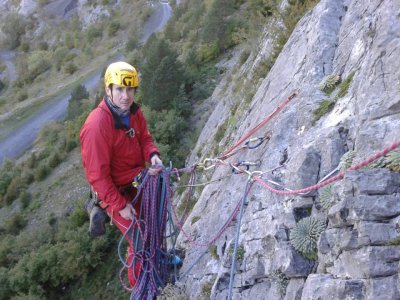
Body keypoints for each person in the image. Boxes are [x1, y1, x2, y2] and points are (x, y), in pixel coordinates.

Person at [80, 61, 163, 288]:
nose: (126, 96)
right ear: (108, 90)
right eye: (119, 89)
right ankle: (141, 286)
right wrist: (119, 205)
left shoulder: (133, 112)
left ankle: (159, 260)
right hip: (113, 193)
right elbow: (97, 176)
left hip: (136, 181)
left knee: (154, 225)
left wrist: (153, 155)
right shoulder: (97, 126)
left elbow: (144, 137)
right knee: (138, 241)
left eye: (130, 90)